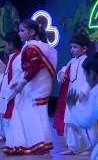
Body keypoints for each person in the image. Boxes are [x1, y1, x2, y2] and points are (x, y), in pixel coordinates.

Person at [4, 19, 57, 155]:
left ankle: (32, 144)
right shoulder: (44, 47)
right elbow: (31, 69)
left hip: (33, 88)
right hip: (41, 86)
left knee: (27, 113)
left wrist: (22, 83)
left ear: (32, 32)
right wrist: (20, 80)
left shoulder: (31, 47)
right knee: (37, 114)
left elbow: (34, 66)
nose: (20, 33)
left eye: (22, 30)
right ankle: (39, 144)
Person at [54, 33, 98, 155]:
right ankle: (73, 147)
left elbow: (92, 78)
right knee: (70, 122)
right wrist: (61, 74)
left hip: (85, 98)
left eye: (75, 47)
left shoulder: (89, 61)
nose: (72, 50)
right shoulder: (72, 61)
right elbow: (63, 70)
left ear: (84, 49)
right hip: (71, 96)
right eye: (71, 47)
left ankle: (90, 147)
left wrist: (84, 92)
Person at [0, 31, 23, 141]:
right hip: (6, 94)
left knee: (10, 118)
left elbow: (17, 78)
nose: (5, 46)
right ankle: (8, 140)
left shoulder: (18, 58)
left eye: (7, 43)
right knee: (5, 117)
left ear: (12, 43)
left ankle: (12, 141)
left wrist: (9, 93)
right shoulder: (12, 57)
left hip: (12, 95)